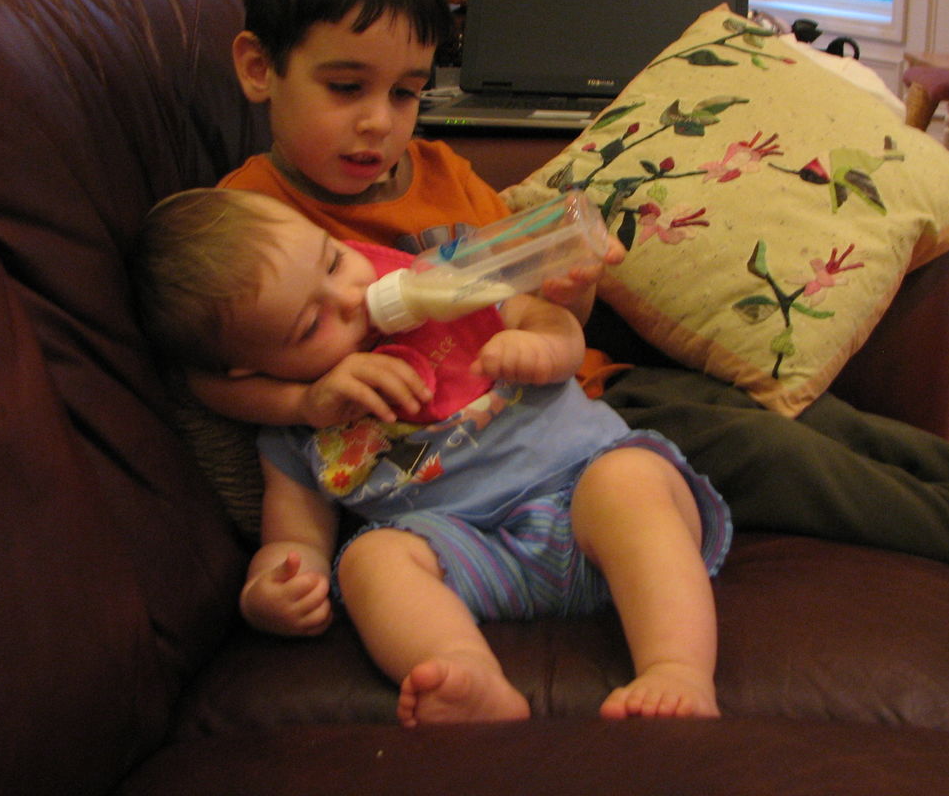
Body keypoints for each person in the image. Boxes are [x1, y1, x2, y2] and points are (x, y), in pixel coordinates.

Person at [206, 0, 949, 638]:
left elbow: (538, 309)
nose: (380, 121)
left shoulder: (442, 171)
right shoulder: (250, 215)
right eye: (346, 88)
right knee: (787, 461)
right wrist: (305, 401)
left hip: (586, 391)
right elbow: (197, 356)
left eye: (408, 91)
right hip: (540, 453)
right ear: (260, 68)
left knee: (848, 429)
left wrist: (569, 287)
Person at [132, 187, 732, 726]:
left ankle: (677, 670)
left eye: (335, 259)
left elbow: (558, 330)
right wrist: (271, 587)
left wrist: (542, 347)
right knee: (368, 558)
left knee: (628, 479)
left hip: (587, 506)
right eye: (314, 322)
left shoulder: (446, 287)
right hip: (473, 557)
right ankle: (465, 673)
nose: (353, 296)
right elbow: (294, 539)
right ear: (254, 369)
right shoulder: (297, 434)